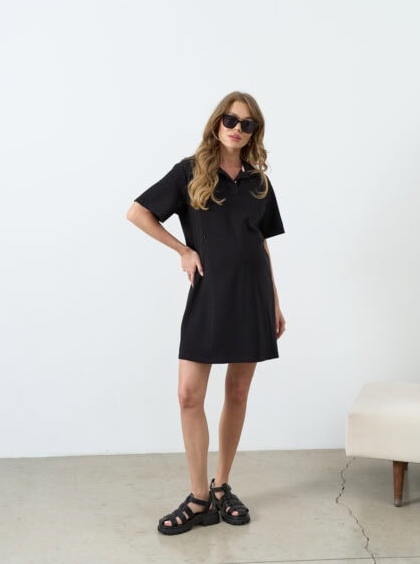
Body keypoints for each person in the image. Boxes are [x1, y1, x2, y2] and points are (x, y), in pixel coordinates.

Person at [126, 91, 285, 535]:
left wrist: (275, 301)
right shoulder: (190, 172)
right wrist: (183, 250)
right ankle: (198, 498)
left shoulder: (258, 183)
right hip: (210, 295)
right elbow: (138, 213)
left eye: (248, 124)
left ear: (255, 133)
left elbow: (262, 244)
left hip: (252, 295)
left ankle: (221, 487)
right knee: (188, 395)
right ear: (217, 122)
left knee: (238, 394)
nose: (237, 128)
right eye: (231, 119)